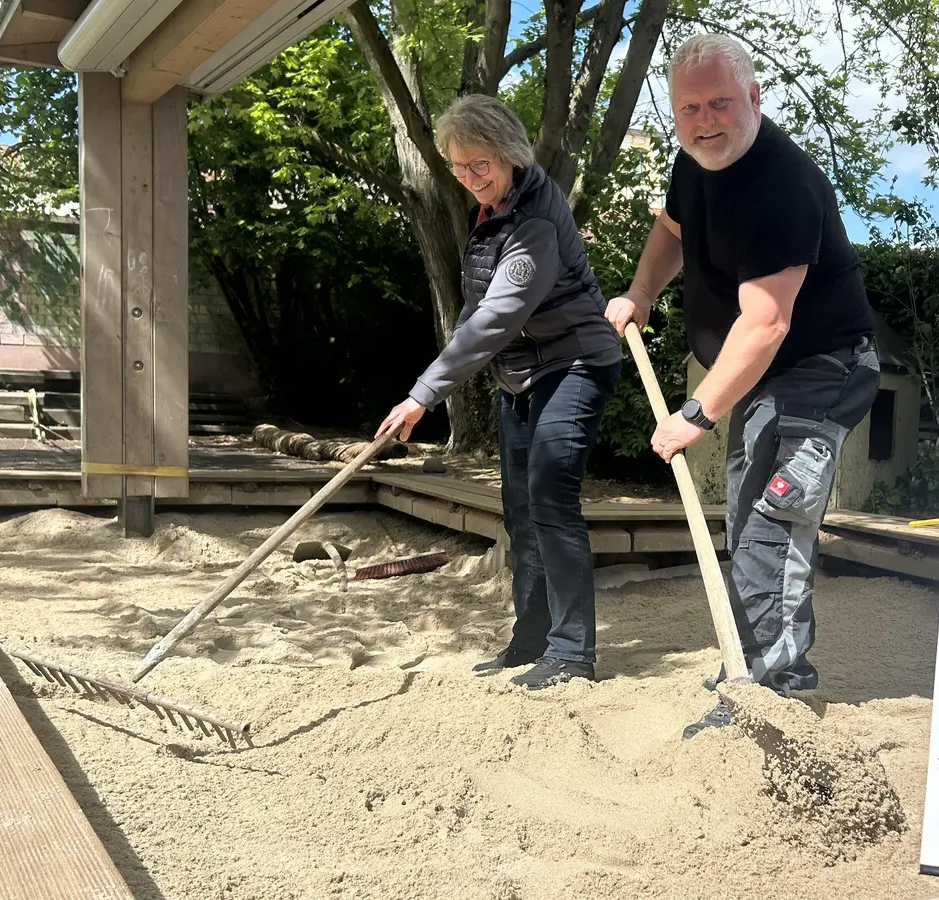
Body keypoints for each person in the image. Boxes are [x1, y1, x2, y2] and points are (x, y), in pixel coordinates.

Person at [604, 34, 882, 736]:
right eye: (689, 108)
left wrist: (695, 412)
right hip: (766, 378)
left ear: (754, 98)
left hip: (820, 368)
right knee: (747, 512)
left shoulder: (780, 185)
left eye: (721, 102)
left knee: (770, 522)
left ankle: (771, 695)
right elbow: (670, 229)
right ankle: (753, 664)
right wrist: (640, 294)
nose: (705, 120)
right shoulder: (695, 162)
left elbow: (765, 324)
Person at [376, 94, 623, 690]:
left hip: (576, 364)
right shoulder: (488, 214)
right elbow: (472, 311)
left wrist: (423, 393)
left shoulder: (536, 218)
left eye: (479, 165)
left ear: (510, 155)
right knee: (518, 510)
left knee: (549, 498)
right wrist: (429, 388)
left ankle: (570, 652)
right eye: (458, 168)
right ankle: (530, 639)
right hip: (520, 377)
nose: (468, 179)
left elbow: (498, 317)